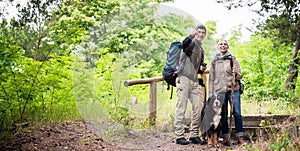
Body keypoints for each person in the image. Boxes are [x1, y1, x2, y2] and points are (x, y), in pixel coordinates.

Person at [208, 39, 246, 146]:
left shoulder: (233, 60)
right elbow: (211, 79)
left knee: (237, 113)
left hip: (233, 90)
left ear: (228, 46)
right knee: (223, 115)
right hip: (219, 92)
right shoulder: (214, 62)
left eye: (225, 44)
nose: (223, 46)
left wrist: (236, 72)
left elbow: (240, 76)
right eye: (221, 44)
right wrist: (211, 94)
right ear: (218, 46)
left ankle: (240, 136)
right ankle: (225, 137)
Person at [174, 24, 207, 145]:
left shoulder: (201, 49)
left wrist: (201, 69)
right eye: (198, 32)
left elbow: (196, 67)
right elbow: (183, 45)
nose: (201, 34)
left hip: (194, 80)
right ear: (195, 32)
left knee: (198, 106)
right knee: (181, 107)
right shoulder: (189, 43)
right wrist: (191, 35)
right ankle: (179, 136)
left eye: (203, 32)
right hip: (183, 78)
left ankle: (193, 135)